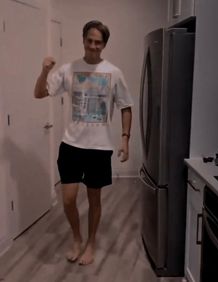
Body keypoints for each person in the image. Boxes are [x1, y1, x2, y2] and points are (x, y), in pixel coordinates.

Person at [34, 20, 133, 265]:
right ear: (83, 40)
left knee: (94, 200)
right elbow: (39, 93)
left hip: (99, 148)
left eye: (98, 42)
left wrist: (125, 139)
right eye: (89, 40)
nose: (93, 46)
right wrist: (45, 70)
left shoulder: (114, 72)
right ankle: (77, 238)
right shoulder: (69, 69)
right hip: (71, 145)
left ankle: (91, 243)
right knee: (67, 199)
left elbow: (126, 106)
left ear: (104, 44)